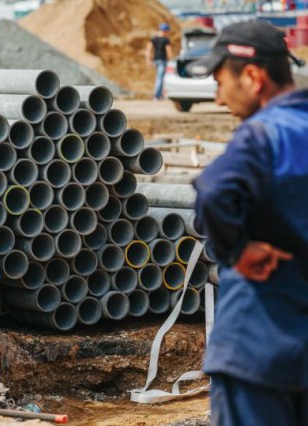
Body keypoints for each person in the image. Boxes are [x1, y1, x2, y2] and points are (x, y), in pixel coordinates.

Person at [189, 20, 308, 425]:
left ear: (253, 77)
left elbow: (214, 190)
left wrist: (239, 251)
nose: (220, 98)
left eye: (221, 81)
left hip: (258, 349)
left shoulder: (264, 133)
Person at [145, 23, 173, 100]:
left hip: (155, 60)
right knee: (160, 78)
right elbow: (169, 51)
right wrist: (171, 60)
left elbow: (148, 50)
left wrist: (148, 60)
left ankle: (160, 95)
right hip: (163, 61)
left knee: (159, 77)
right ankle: (156, 95)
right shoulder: (166, 40)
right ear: (166, 31)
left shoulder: (154, 39)